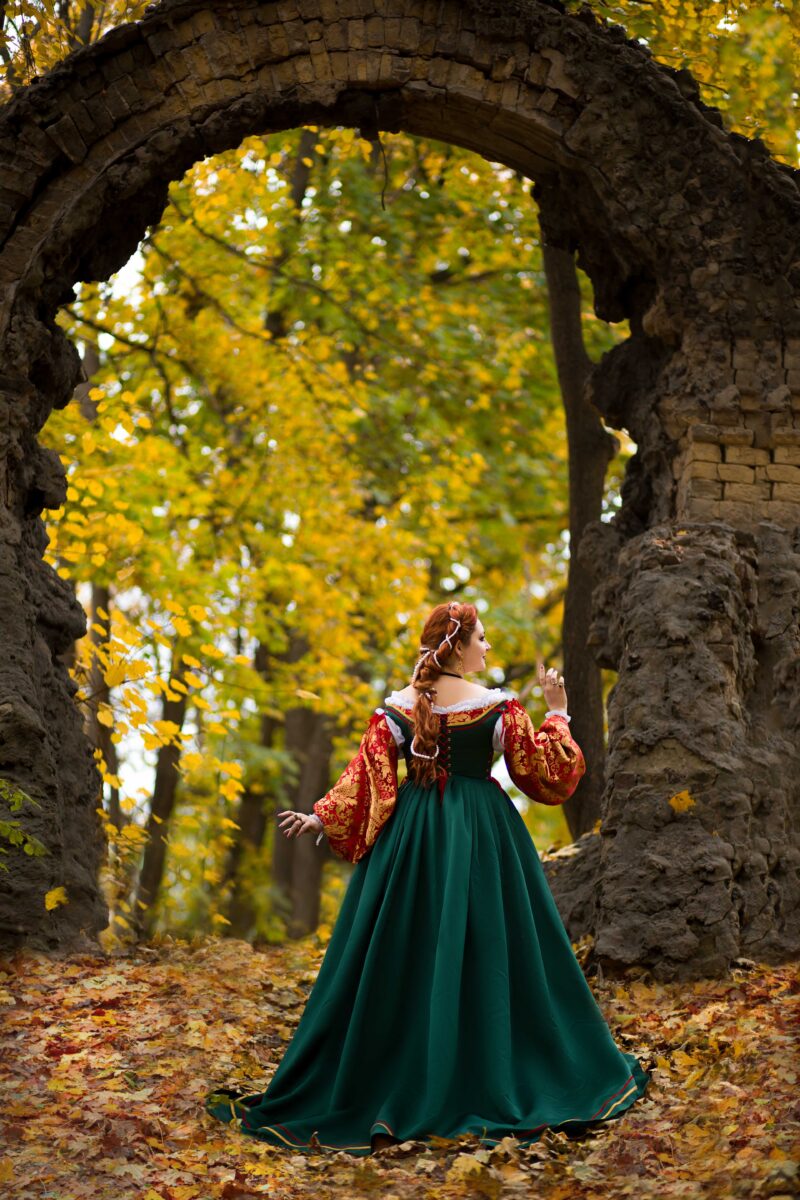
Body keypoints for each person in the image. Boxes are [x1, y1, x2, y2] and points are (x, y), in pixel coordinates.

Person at [204, 600, 650, 1155]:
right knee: (493, 946)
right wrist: (558, 713)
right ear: (457, 647)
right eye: (481, 639)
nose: (487, 647)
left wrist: (322, 815)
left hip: (410, 842)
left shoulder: (398, 706)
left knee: (404, 952)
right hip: (482, 838)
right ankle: (493, 1067)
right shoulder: (499, 708)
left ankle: (402, 1069)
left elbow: (365, 778)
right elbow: (543, 774)